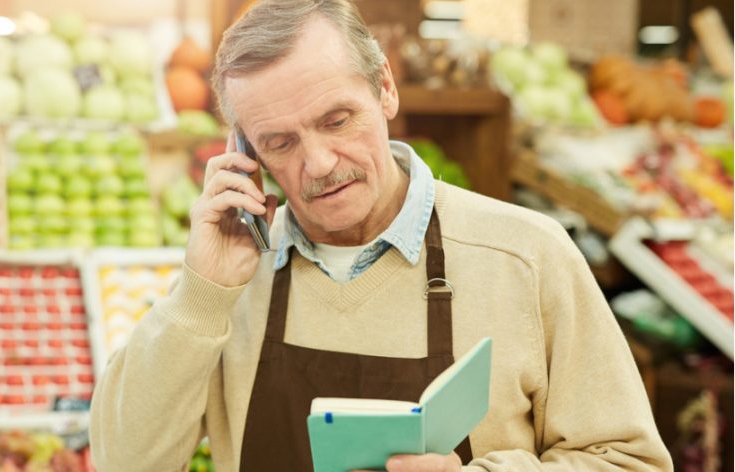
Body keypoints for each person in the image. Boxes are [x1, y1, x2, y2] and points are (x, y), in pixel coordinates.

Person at [90, 1, 672, 470]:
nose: (318, 163)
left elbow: (630, 460)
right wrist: (202, 293)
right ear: (243, 153)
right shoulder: (230, 283)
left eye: (336, 120)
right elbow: (124, 461)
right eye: (280, 143)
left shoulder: (526, 255)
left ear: (385, 89)